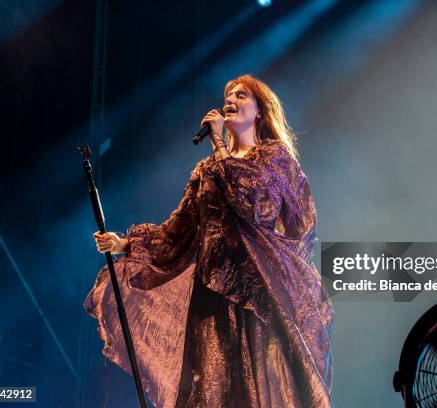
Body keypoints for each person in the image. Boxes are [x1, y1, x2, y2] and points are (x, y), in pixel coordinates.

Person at [85, 74, 333, 408]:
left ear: (260, 111)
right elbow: (179, 231)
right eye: (228, 94)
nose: (230, 99)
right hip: (211, 295)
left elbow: (255, 202)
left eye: (242, 95)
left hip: (257, 296)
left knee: (257, 389)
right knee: (212, 387)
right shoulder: (207, 170)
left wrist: (218, 144)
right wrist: (126, 244)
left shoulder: (274, 158)